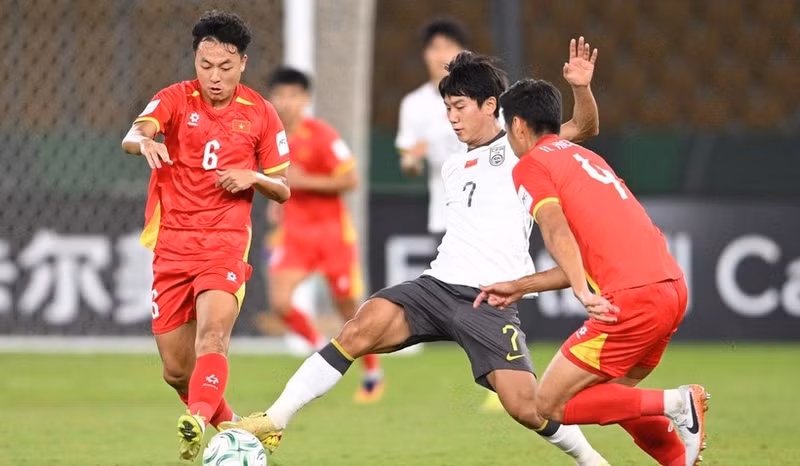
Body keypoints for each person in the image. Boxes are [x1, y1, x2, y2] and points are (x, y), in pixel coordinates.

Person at [224, 41, 609, 465]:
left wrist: (581, 88)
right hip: (436, 286)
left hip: (490, 298)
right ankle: (274, 419)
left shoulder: (523, 149)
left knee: (526, 407)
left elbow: (583, 127)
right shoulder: (453, 165)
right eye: (448, 108)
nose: (452, 117)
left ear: (490, 105)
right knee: (357, 329)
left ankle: (591, 460)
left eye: (460, 107)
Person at [475, 78, 709, 465]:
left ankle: (678, 402)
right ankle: (678, 459)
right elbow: (586, 257)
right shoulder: (587, 158)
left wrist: (582, 293)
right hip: (670, 291)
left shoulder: (531, 165)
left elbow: (555, 229)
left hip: (631, 299)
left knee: (549, 403)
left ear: (517, 124)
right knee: (612, 397)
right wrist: (521, 285)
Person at [120, 11, 291, 461]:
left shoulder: (261, 113)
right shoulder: (175, 99)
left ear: (243, 63)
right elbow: (134, 133)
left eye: (225, 66)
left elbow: (282, 188)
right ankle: (237, 429)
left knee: (213, 337)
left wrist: (253, 176)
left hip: (225, 242)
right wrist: (146, 141)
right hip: (173, 245)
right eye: (205, 65)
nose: (214, 77)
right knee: (176, 371)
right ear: (195, 60)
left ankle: (196, 421)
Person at [259, 66, 383, 403]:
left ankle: (372, 372)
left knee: (349, 309)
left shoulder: (323, 135)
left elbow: (351, 179)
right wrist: (276, 202)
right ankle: (319, 349)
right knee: (280, 301)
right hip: (295, 235)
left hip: (332, 235)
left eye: (293, 95)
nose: (286, 102)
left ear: (306, 99)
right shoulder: (269, 139)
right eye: (280, 95)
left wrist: (305, 181)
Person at [396, 18, 468, 235]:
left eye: (448, 47)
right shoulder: (414, 104)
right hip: (445, 212)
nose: (441, 55)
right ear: (425, 54)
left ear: (463, 52)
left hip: (489, 209)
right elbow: (409, 163)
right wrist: (413, 159)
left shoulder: (485, 96)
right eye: (435, 48)